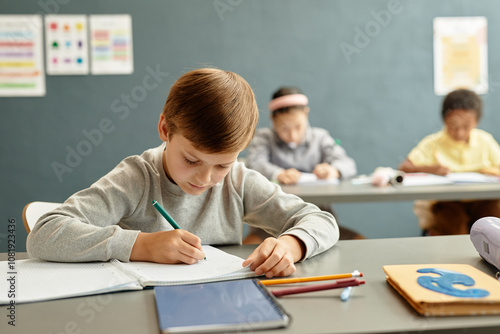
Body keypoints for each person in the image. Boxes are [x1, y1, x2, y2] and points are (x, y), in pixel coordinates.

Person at [26, 68, 339, 278]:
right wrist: (141, 245)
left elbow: (321, 221)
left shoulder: (238, 181)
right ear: (165, 129)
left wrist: (291, 245)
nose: (204, 178)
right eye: (191, 160)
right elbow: (46, 234)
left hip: (221, 304)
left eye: (221, 165)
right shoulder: (137, 178)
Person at [244, 86, 362, 244]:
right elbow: (254, 163)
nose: (292, 135)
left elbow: (347, 164)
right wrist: (278, 174)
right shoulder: (264, 138)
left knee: (361, 242)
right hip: (272, 224)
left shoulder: (320, 137)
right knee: (247, 248)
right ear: (273, 120)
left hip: (319, 223)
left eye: (298, 127)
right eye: (284, 128)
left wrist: (333, 170)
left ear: (306, 113)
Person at [398, 88, 500, 235]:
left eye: (466, 126)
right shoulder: (432, 143)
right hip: (448, 202)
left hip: (483, 200)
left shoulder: (485, 141)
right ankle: (454, 257)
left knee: (492, 223)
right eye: (454, 125)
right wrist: (432, 169)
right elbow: (404, 168)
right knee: (452, 223)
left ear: (476, 121)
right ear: (445, 119)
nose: (460, 133)